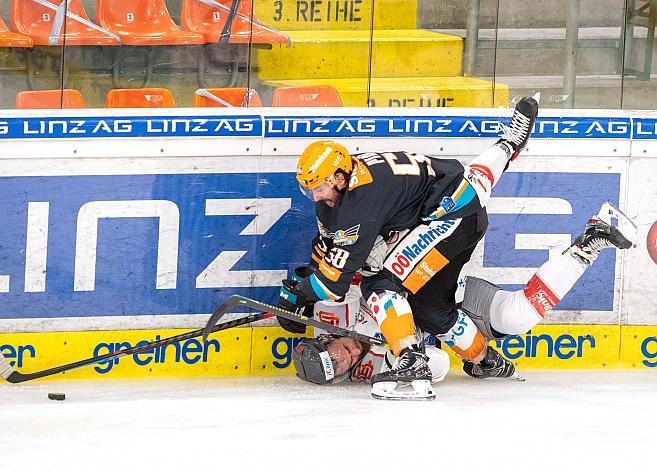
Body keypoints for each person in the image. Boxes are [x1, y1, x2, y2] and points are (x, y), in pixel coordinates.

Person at [277, 95, 540, 400]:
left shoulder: (358, 204)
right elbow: (328, 250)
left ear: (338, 178)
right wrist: (306, 279)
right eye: (310, 190)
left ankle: (412, 360)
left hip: (448, 220)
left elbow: (335, 285)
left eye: (319, 188)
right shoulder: (352, 178)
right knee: (429, 309)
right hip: (457, 199)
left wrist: (301, 294)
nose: (317, 196)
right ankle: (487, 361)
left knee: (380, 284)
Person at [291, 202, 636, 396]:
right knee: (519, 319)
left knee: (508, 316)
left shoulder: (333, 310)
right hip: (452, 330)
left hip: (448, 292)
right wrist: (407, 359)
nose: (346, 359)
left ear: (326, 339)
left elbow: (336, 273)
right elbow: (438, 367)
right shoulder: (369, 372)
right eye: (340, 368)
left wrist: (296, 301)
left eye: (336, 355)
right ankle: (587, 245)